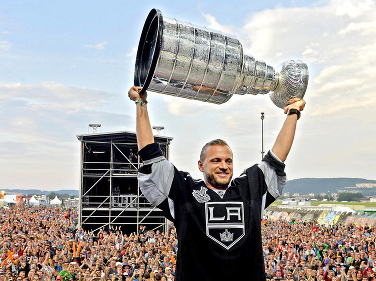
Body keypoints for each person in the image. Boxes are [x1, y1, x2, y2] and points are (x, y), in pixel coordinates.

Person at [128, 86, 306, 281]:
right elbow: (151, 156)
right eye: (216, 161)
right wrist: (141, 103)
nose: (224, 166)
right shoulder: (185, 190)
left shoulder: (249, 188)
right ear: (200, 165)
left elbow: (277, 158)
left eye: (228, 161)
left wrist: (293, 112)